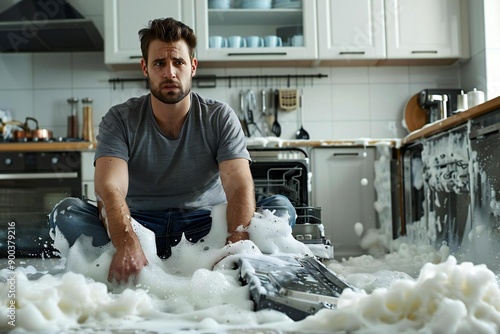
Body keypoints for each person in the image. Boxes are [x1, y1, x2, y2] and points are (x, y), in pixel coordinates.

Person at [48, 17, 296, 284]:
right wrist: (127, 241)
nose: (169, 73)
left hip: (205, 225)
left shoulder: (219, 116)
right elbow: (109, 189)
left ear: (193, 66)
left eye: (178, 62)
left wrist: (235, 246)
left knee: (281, 207)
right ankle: (128, 258)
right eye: (159, 63)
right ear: (145, 67)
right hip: (137, 223)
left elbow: (238, 184)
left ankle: (122, 261)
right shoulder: (119, 118)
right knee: (66, 212)